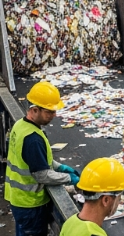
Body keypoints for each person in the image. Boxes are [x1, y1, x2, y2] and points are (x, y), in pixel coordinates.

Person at [5, 81, 79, 236]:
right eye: (49, 112)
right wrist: (68, 178)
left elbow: (34, 159)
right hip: (30, 203)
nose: (54, 115)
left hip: (18, 198)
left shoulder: (20, 125)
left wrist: (59, 166)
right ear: (35, 110)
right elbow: (42, 175)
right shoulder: (33, 139)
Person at [59, 157, 124, 236]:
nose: (119, 201)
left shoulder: (70, 222)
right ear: (106, 200)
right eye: (119, 197)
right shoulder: (93, 234)